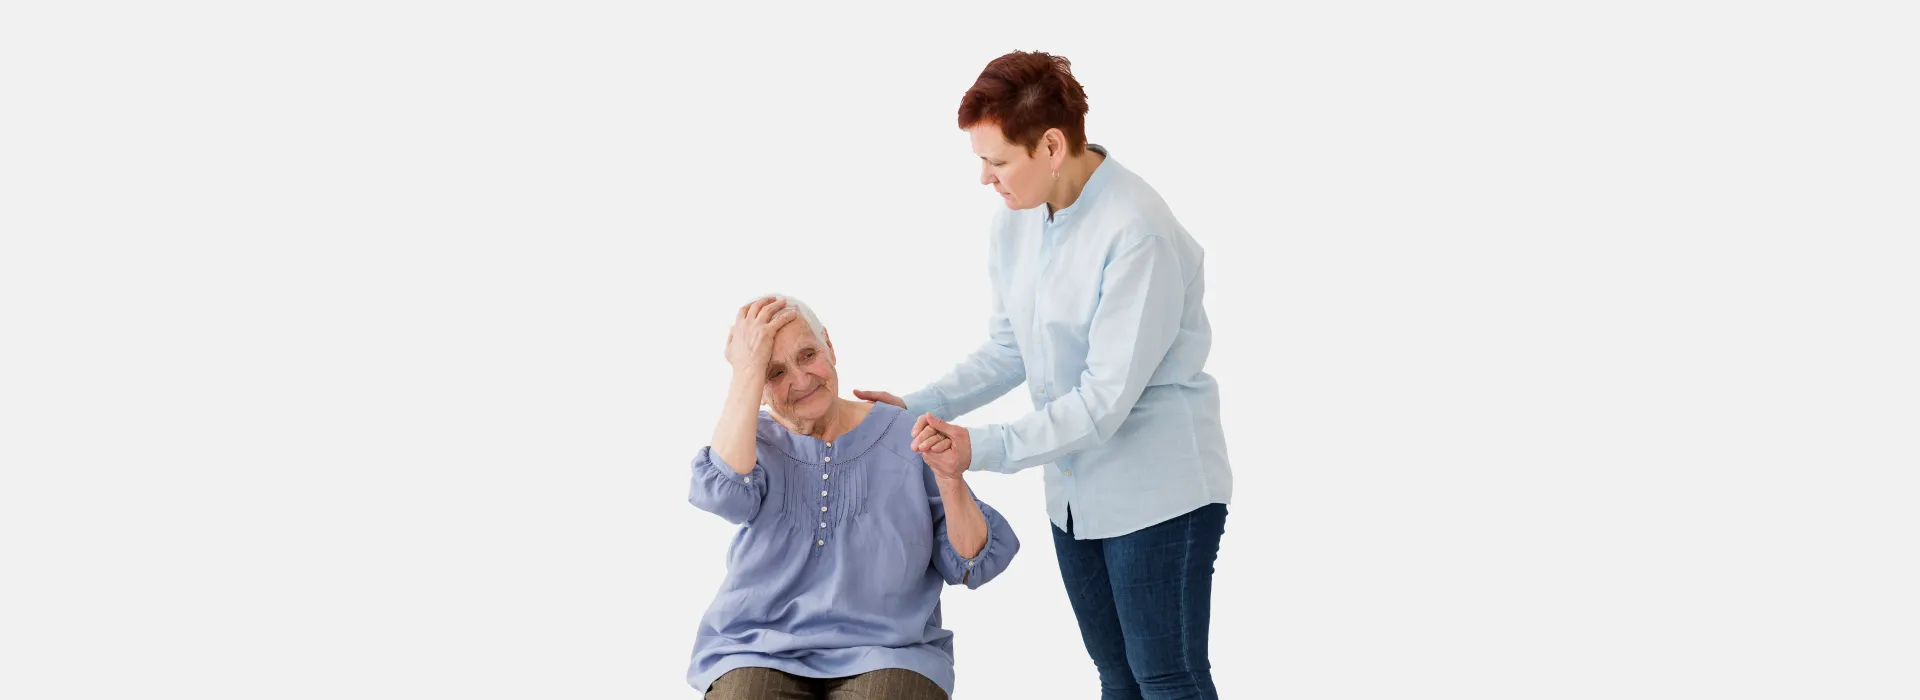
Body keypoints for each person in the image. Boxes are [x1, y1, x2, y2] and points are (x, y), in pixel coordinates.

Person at [854, 51, 1233, 700]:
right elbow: (1010, 349)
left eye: (997, 161)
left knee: (1167, 679)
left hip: (1158, 494)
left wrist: (978, 447)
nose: (984, 177)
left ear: (1052, 146)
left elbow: (1100, 404)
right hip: (1073, 496)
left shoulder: (1137, 232)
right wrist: (913, 406)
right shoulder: (1017, 219)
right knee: (1117, 678)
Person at [687, 295, 1020, 700]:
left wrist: (950, 480)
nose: (801, 380)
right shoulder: (748, 439)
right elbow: (723, 497)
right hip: (758, 645)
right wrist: (746, 370)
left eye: (808, 355)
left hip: (890, 650)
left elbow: (971, 565)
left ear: (829, 345)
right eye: (774, 372)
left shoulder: (904, 432)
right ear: (756, 386)